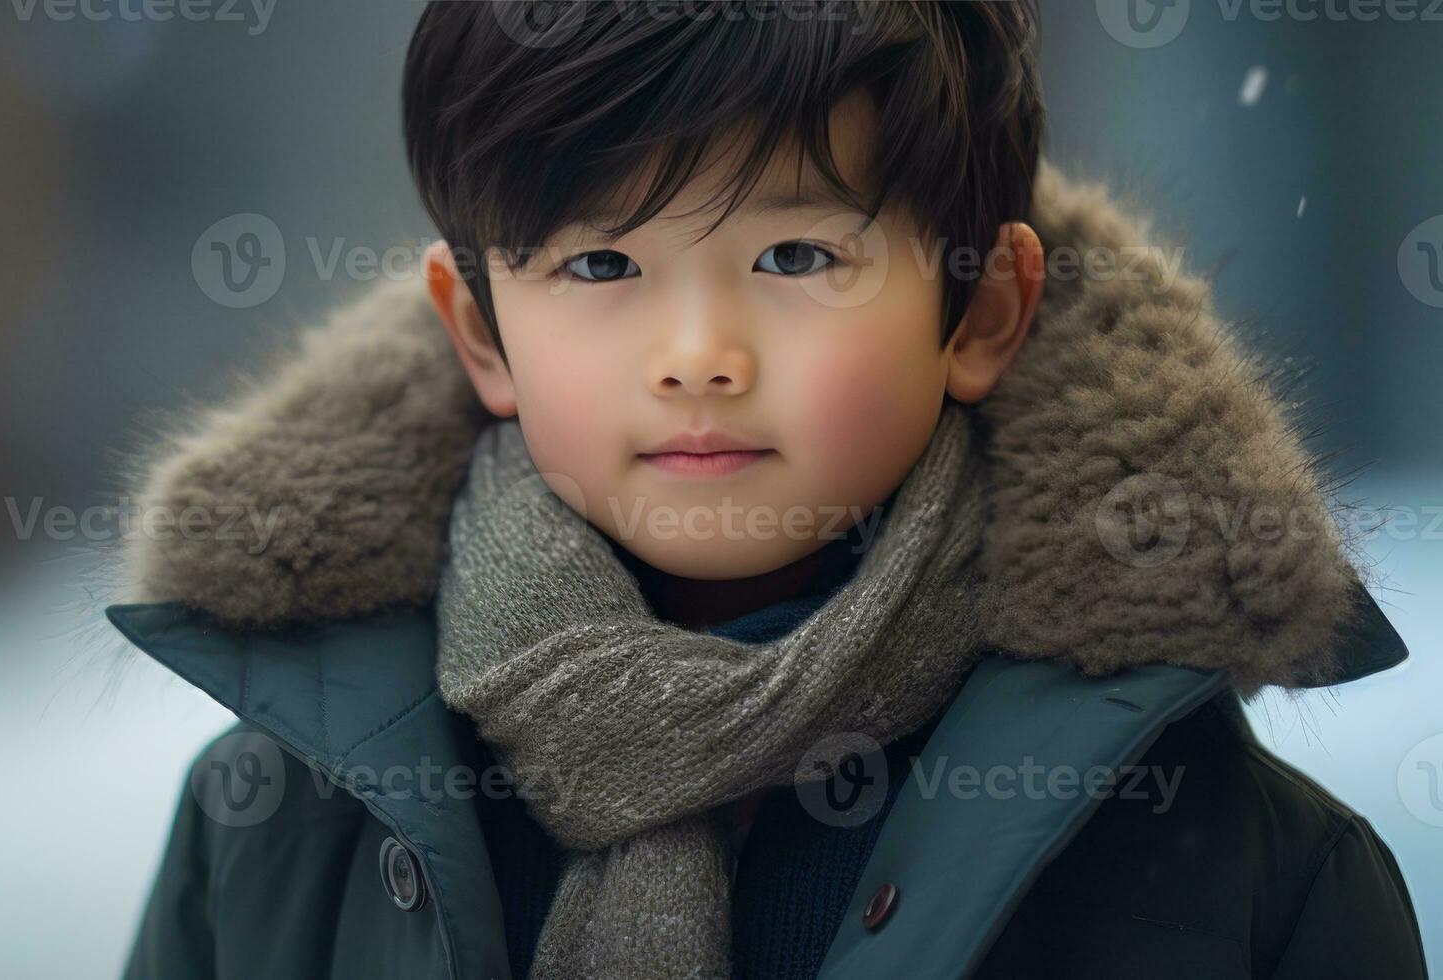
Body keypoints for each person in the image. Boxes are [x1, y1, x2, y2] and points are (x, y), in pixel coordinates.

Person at [107, 3, 1426, 977]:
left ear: (982, 311)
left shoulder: (1243, 867)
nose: (698, 359)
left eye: (796, 252)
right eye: (602, 268)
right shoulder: (278, 829)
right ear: (481, 335)